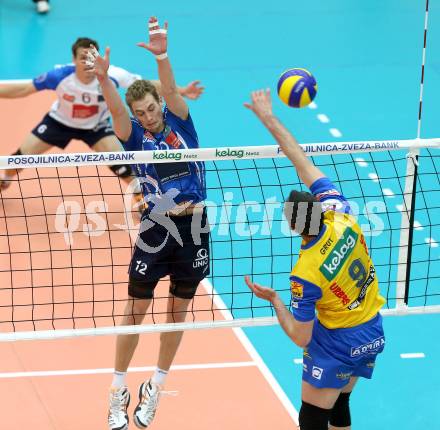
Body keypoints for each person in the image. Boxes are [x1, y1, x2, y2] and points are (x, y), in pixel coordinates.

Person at [87, 17, 210, 430]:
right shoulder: (134, 134)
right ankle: (117, 390)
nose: (148, 115)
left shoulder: (180, 119)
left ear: (160, 102)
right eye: (141, 111)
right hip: (156, 229)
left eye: (151, 107)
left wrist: (162, 56)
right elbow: (118, 110)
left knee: (178, 313)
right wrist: (105, 81)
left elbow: (171, 88)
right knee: (135, 311)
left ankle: (155, 386)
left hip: (194, 228)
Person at [244, 89, 386, 430]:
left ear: (294, 225)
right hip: (372, 331)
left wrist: (276, 301)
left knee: (311, 418)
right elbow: (302, 160)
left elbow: (300, 337)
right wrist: (269, 118)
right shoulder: (341, 214)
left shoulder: (305, 273)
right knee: (339, 404)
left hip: (338, 341)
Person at [0, 36, 204, 206]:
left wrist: (181, 90)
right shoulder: (60, 76)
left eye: (92, 57)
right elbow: (23, 89)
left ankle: (142, 197)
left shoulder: (112, 74)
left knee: (125, 166)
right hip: (59, 122)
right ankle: (5, 179)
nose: (88, 62)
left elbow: (146, 84)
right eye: (82, 58)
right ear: (73, 59)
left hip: (95, 126)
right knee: (20, 157)